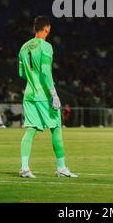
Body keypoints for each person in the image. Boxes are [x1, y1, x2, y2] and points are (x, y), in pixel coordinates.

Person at [18, 15, 77, 179]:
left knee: (30, 131)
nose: (48, 33)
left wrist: (32, 77)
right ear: (45, 29)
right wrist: (54, 95)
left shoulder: (23, 48)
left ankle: (24, 168)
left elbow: (21, 73)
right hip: (43, 95)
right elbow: (45, 71)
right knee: (56, 128)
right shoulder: (46, 46)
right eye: (48, 31)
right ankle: (61, 168)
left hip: (29, 94)